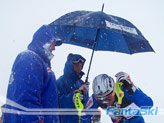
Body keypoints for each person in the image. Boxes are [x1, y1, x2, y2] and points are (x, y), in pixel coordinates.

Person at [2, 25, 62, 123]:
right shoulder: (29, 59)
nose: (54, 48)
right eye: (53, 43)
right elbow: (25, 100)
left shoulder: (41, 64)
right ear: (45, 41)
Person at [83, 72, 153, 123]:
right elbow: (83, 116)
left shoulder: (126, 90)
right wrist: (81, 97)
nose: (106, 103)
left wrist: (131, 87)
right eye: (101, 100)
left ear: (113, 90)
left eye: (108, 99)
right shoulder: (96, 97)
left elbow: (149, 104)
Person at [56, 53, 89, 123]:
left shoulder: (81, 83)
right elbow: (56, 103)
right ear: (70, 65)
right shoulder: (59, 82)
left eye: (81, 65)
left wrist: (84, 94)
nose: (79, 68)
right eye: (76, 65)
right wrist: (72, 97)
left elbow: (86, 106)